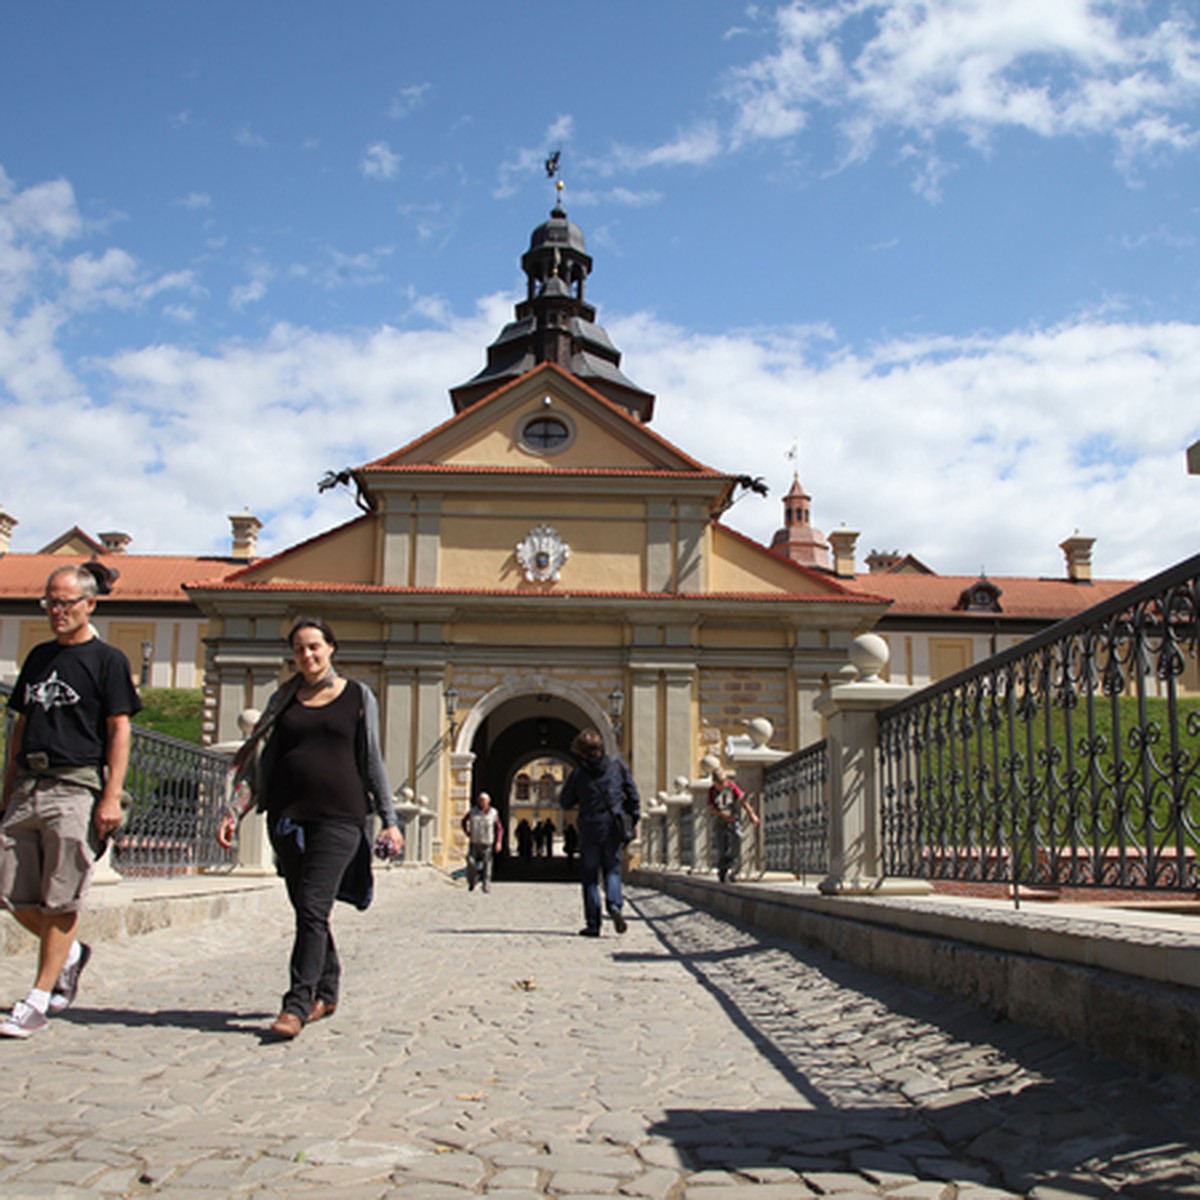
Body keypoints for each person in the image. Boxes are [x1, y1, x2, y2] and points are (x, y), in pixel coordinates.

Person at [218, 616, 403, 1039]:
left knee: (313, 907)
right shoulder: (283, 699)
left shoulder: (358, 695)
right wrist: (234, 810)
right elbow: (258, 757)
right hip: (288, 817)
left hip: (339, 817)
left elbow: (372, 759)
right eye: (299, 649)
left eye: (314, 647)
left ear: (331, 648)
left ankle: (297, 1004)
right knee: (309, 909)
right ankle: (328, 987)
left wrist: (390, 820)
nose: (307, 655)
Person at [0, 563, 141, 1038]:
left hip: (75, 786)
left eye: (65, 603)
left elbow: (119, 728)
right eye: (50, 603)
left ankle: (38, 998)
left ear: (89, 604)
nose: (57, 611)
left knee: (62, 898)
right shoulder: (38, 657)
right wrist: (6, 788)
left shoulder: (108, 660)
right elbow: (19, 724)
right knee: (11, 894)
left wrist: (111, 796)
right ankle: (72, 953)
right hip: (27, 785)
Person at [559, 728, 639, 937]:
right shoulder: (618, 767)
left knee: (590, 877)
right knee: (612, 869)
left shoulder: (578, 774)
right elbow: (634, 797)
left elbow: (565, 802)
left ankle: (593, 924)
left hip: (590, 827)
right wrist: (632, 821)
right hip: (613, 826)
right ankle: (614, 906)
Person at [708, 765, 760, 883]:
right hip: (720, 822)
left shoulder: (731, 787)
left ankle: (731, 861)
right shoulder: (712, 791)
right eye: (720, 783)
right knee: (722, 848)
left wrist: (752, 814)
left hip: (734, 820)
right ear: (715, 783)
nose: (723, 785)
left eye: (725, 782)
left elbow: (743, 801)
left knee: (738, 837)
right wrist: (724, 815)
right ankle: (722, 871)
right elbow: (711, 808)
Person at [461, 791, 502, 893]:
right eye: (480, 800)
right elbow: (463, 821)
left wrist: (498, 842)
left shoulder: (493, 813)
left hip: (487, 842)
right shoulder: (472, 811)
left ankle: (486, 884)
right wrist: (467, 832)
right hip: (474, 841)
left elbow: (499, 828)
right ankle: (473, 880)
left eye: (483, 800)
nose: (481, 802)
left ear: (488, 801)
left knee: (487, 864)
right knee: (470, 861)